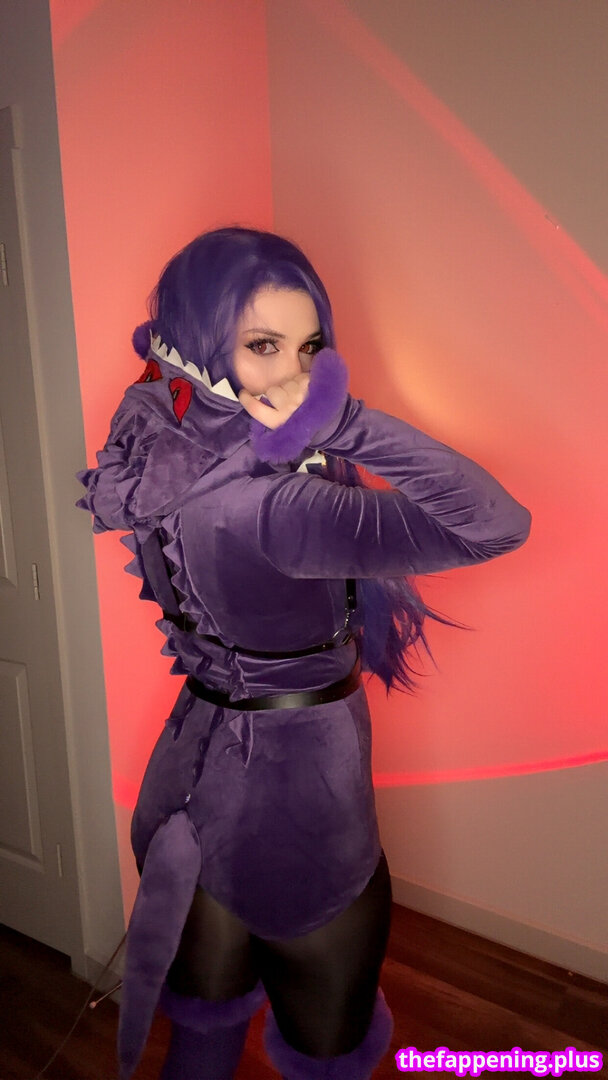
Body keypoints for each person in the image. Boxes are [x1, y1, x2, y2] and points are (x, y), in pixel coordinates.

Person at [77, 226, 532, 1080]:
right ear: (198, 344)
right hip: (297, 817)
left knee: (202, 1034)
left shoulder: (160, 448)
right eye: (262, 346)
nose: (295, 376)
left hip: (188, 783)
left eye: (310, 348)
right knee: (327, 1061)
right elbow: (498, 524)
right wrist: (346, 421)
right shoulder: (276, 505)